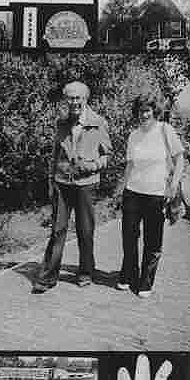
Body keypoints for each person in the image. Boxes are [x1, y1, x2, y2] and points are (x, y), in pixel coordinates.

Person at [32, 81, 112, 293]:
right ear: (66, 100)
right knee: (57, 231)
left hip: (86, 185)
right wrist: (51, 180)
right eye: (71, 98)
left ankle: (86, 272)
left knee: (85, 230)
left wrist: (92, 165)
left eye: (78, 98)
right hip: (62, 183)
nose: (74, 102)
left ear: (86, 99)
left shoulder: (98, 123)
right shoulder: (62, 123)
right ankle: (47, 277)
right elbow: (55, 155)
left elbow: (107, 155)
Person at [117, 94, 184, 297]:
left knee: (152, 240)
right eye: (140, 111)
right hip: (133, 192)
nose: (143, 114)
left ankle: (146, 282)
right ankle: (129, 274)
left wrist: (172, 185)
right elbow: (130, 164)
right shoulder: (133, 135)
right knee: (129, 237)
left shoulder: (165, 130)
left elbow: (179, 159)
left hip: (156, 194)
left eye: (147, 110)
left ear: (154, 111)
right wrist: (121, 189)